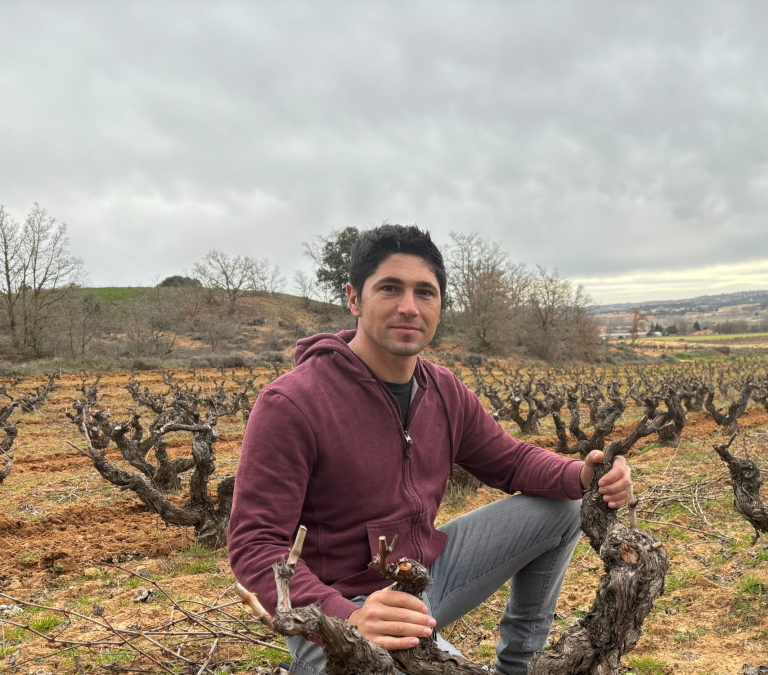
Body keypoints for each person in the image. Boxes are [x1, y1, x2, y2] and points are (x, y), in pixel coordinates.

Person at [228, 225, 632, 675]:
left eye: (425, 292)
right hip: (338, 611)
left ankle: (520, 665)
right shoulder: (292, 403)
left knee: (564, 507)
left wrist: (583, 474)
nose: (409, 306)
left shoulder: (442, 390)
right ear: (354, 299)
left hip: (423, 575)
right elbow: (255, 545)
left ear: (440, 305)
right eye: (389, 288)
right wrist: (347, 619)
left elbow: (511, 461)